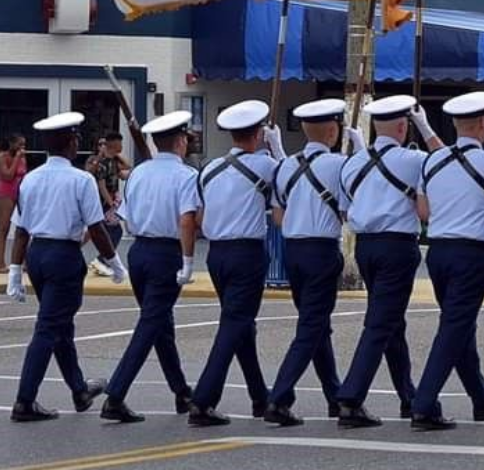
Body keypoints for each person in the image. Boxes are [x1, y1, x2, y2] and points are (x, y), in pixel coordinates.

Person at [6, 112, 126, 421]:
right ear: (71, 142)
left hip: (38, 253)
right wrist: (114, 263)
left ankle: (79, 390)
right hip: (63, 256)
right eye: (76, 139)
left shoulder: (30, 178)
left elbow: (20, 230)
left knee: (61, 326)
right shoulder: (81, 179)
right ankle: (25, 400)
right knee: (48, 328)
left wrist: (16, 271)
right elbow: (97, 228)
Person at [336, 95, 442, 428]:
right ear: (402, 126)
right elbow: (447, 162)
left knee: (392, 323)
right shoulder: (413, 159)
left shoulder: (352, 162)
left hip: (365, 247)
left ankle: (408, 396)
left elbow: (345, 206)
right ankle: (351, 398)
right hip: (397, 246)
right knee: (381, 323)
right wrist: (425, 127)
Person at [410, 91, 484, 431]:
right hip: (471, 253)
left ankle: (480, 398)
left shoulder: (432, 161)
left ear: (455, 125)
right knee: (455, 327)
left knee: (460, 326)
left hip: (437, 251)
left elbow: (423, 212)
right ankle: (424, 403)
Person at [263, 98, 364, 427]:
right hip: (321, 251)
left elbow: (278, 217)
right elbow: (351, 211)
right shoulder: (339, 165)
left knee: (317, 325)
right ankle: (279, 397)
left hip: (293, 251)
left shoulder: (286, 165)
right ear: (334, 131)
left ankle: (334, 396)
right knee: (310, 327)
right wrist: (360, 153)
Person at [99, 111, 200, 423]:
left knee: (159, 324)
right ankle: (115, 395)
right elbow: (187, 221)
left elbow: (124, 214)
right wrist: (187, 261)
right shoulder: (186, 176)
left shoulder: (139, 173)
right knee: (150, 324)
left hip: (139, 250)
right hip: (166, 253)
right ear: (181, 141)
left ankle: (182, 391)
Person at [189, 100, 280, 427]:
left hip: (216, 254)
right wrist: (277, 149)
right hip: (246, 253)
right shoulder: (267, 165)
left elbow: (199, 217)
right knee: (234, 324)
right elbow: (292, 183)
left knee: (241, 325)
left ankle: (260, 396)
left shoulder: (210, 168)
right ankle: (203, 400)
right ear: (259, 134)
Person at [91, 132, 130, 277]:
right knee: (115, 232)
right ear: (113, 144)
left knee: (109, 232)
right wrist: (110, 203)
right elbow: (101, 186)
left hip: (111, 202)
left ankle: (103, 260)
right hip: (105, 203)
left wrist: (116, 154)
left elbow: (127, 166)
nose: (122, 146)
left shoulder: (113, 161)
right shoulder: (102, 164)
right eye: (120, 143)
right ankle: (101, 260)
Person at [0, 134, 27, 274]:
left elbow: (24, 175)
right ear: (11, 144)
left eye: (24, 145)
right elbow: (7, 175)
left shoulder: (22, 158)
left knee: (23, 228)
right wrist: (16, 159)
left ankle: (24, 262)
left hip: (19, 194)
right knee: (4, 228)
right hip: (4, 194)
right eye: (19, 144)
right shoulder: (1, 157)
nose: (22, 148)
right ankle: (1, 263)